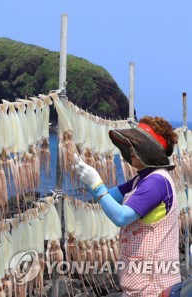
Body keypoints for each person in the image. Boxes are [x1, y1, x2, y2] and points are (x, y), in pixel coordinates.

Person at [74, 116, 180, 297]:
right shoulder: (142, 179)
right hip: (141, 284)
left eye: (135, 146)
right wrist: (89, 179)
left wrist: (96, 184)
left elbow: (121, 217)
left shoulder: (155, 182)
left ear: (149, 150)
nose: (131, 149)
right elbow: (110, 197)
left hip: (153, 287)